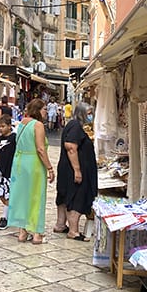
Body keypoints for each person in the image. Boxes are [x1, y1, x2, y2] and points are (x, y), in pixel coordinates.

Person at [7, 98, 54, 244]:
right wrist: (50, 168)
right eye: (44, 109)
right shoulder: (38, 125)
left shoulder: (21, 123)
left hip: (20, 163)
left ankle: (22, 231)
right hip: (33, 164)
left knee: (22, 197)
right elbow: (40, 149)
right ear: (38, 110)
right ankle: (36, 233)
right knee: (36, 197)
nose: (46, 111)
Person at [54, 102, 98, 241]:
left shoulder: (73, 125)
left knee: (64, 195)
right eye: (89, 113)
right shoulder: (75, 126)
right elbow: (71, 147)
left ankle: (60, 224)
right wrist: (77, 170)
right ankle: (73, 231)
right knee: (76, 197)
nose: (90, 116)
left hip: (66, 168)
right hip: (72, 169)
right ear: (82, 113)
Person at [0, 115, 16, 231]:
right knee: (0, 194)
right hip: (1, 171)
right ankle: (10, 210)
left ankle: (4, 217)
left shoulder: (14, 138)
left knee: (8, 195)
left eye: (3, 126)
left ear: (9, 126)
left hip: (11, 171)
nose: (1, 129)